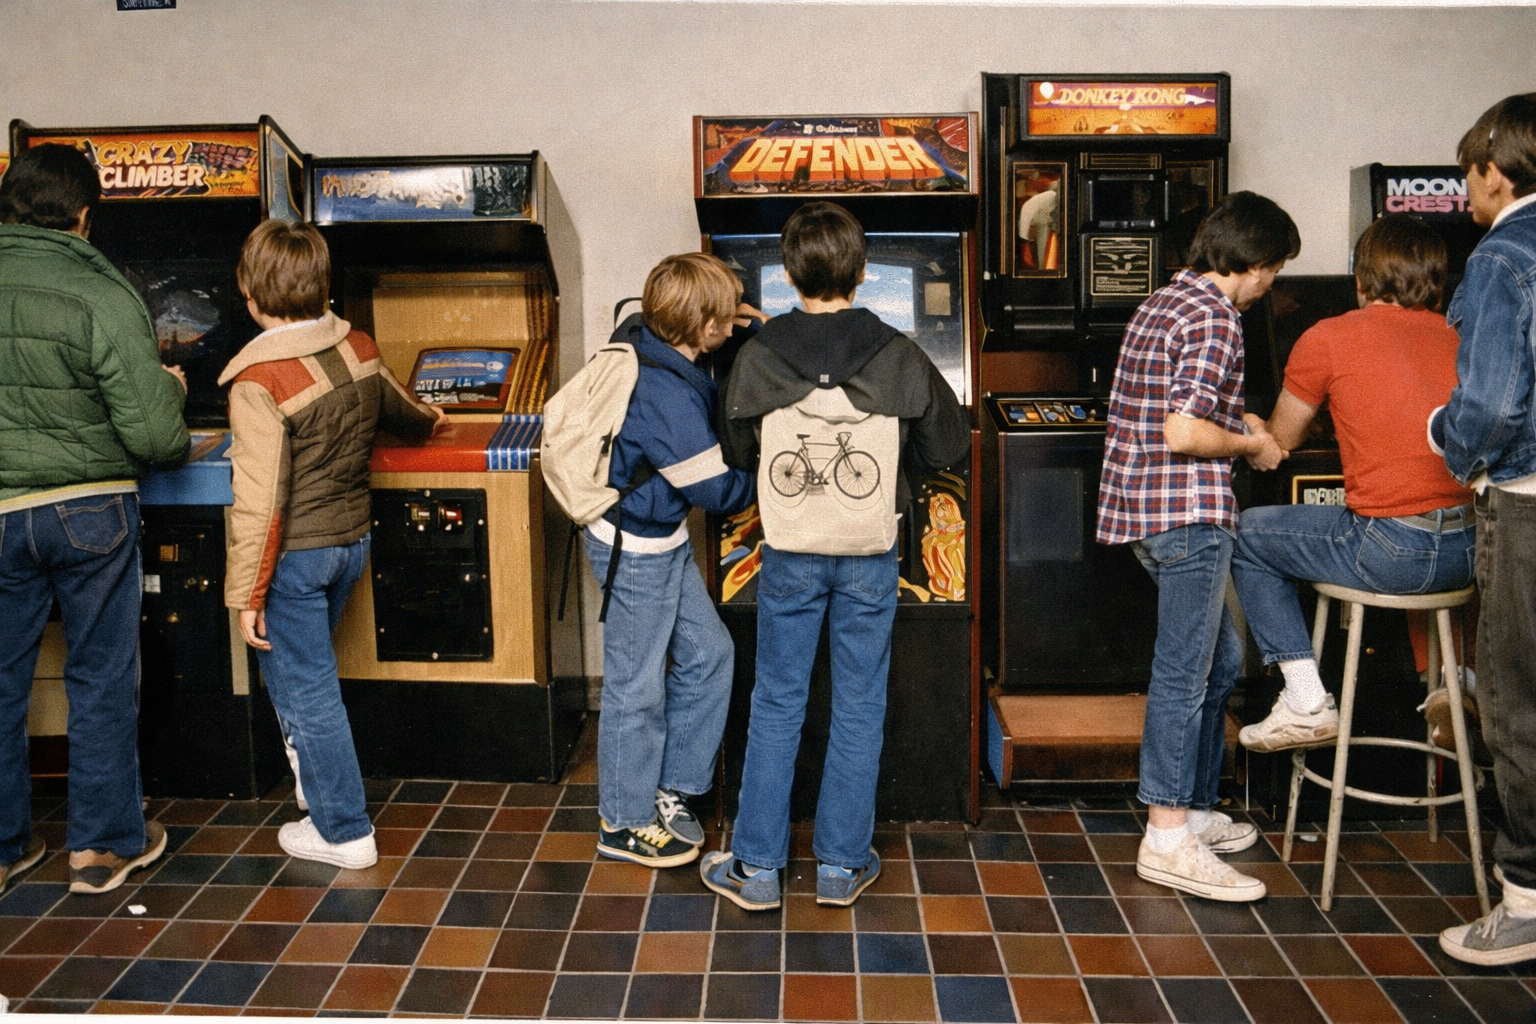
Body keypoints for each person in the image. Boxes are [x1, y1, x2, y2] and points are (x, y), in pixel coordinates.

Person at [702, 201, 968, 910]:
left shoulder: (757, 354)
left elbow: (735, 452)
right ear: (861, 269)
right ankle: (841, 867)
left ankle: (757, 868)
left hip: (789, 549)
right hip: (869, 552)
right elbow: (949, 446)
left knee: (777, 701)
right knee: (859, 703)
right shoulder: (900, 351)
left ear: (788, 273)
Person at [1096, 191, 1298, 902]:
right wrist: (1251, 444)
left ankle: (1193, 807)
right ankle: (1167, 834)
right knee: (1187, 672)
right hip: (1188, 513)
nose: (1273, 282)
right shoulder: (1218, 319)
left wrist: (1239, 417)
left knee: (1220, 662)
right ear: (1253, 262)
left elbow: (1174, 400)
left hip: (1141, 510)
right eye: (1274, 268)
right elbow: (1184, 431)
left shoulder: (1165, 302)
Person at [0, 143, 190, 894]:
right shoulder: (99, 290)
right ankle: (103, 849)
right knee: (102, 677)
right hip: (88, 509)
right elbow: (154, 439)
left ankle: (6, 848)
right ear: (83, 214)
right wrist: (170, 390)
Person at [222, 218, 441, 869]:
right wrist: (437, 419)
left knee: (305, 690)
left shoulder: (259, 379)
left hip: (292, 559)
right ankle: (315, 794)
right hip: (350, 543)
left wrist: (246, 593)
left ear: (251, 292)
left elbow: (260, 503)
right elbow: (409, 413)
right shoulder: (358, 345)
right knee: (300, 682)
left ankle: (343, 831)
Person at [1232, 213, 1474, 752]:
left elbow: (1281, 445)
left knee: (1248, 535)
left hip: (1392, 551)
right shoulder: (1466, 337)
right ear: (1438, 279)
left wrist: (1252, 429)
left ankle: (1306, 700)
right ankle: (1453, 686)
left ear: (1360, 280)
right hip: (1469, 548)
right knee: (1426, 541)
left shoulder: (1328, 336)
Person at [584, 253, 757, 868]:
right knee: (636, 687)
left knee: (709, 655)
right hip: (634, 546)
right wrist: (779, 484)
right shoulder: (665, 395)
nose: (736, 321)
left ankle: (672, 787)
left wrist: (757, 332)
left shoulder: (649, 336)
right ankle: (623, 822)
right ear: (703, 327)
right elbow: (713, 489)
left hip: (658, 537)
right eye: (728, 314)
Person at [1428, 93, 1536, 967]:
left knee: (1518, 702)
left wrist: (1450, 442)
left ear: (1495, 170)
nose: (1467, 188)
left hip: (1530, 500)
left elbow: (1493, 405)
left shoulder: (1504, 255)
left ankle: (1529, 902)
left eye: (1469, 171)